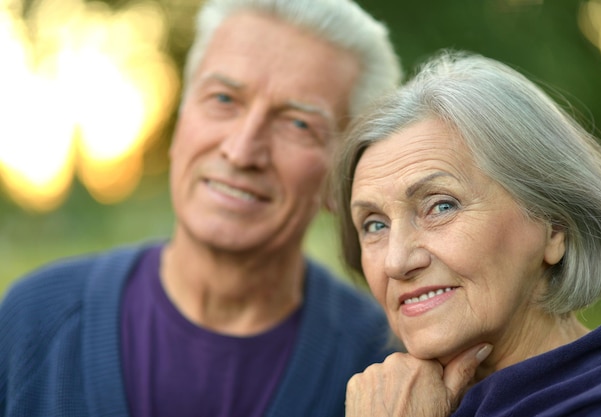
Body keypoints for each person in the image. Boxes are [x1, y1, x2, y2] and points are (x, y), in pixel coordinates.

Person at [0, 1, 403, 416]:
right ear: (181, 118)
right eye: (224, 99)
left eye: (298, 123)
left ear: (343, 177)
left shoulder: (385, 365)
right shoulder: (36, 321)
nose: (242, 150)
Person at [334, 50, 601, 416]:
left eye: (441, 206)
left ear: (555, 227)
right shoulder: (385, 400)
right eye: (375, 224)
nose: (396, 261)